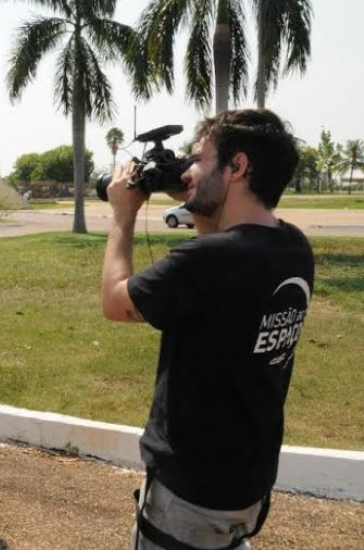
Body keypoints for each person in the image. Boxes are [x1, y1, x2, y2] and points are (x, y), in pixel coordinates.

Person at [101, 109, 314, 550]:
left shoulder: (208, 261)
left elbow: (116, 303)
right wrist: (198, 193)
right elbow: (216, 252)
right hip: (248, 477)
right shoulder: (293, 246)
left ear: (237, 167)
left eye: (198, 159)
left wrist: (122, 216)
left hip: (191, 490)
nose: (188, 169)